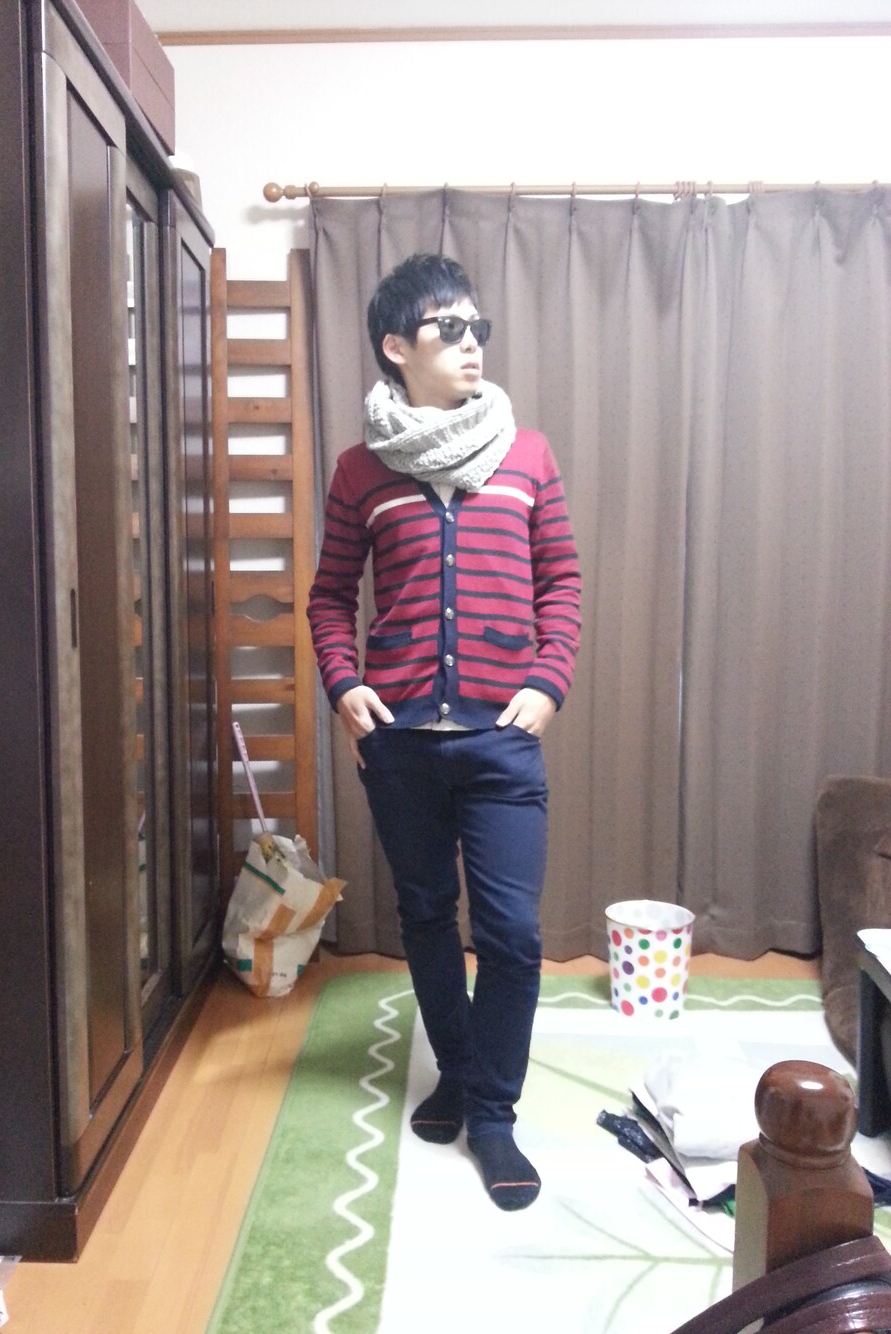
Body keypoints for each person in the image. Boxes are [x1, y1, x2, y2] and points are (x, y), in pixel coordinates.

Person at [307, 252, 581, 1211]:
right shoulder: (362, 470)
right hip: (400, 743)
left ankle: (492, 1111)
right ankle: (459, 1074)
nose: (472, 344)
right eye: (450, 329)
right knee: (425, 916)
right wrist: (343, 684)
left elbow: (562, 582)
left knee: (511, 933)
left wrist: (549, 680)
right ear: (397, 347)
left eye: (478, 329)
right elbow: (330, 596)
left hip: (503, 738)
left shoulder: (527, 454)